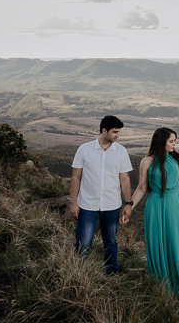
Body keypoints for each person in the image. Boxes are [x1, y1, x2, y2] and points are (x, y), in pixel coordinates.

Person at [122, 127, 179, 296]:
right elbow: (141, 188)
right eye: (171, 141)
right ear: (161, 141)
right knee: (160, 242)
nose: (174, 144)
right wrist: (129, 207)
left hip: (176, 204)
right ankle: (163, 284)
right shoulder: (147, 161)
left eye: (174, 141)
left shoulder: (176, 158)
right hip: (156, 205)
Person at [70, 115, 134, 275]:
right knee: (82, 243)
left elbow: (125, 179)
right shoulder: (84, 149)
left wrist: (128, 203)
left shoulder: (121, 151)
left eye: (118, 132)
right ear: (104, 131)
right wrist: (73, 203)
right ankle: (77, 276)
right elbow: (75, 177)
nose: (117, 136)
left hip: (112, 206)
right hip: (87, 205)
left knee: (111, 242)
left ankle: (112, 275)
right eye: (114, 132)